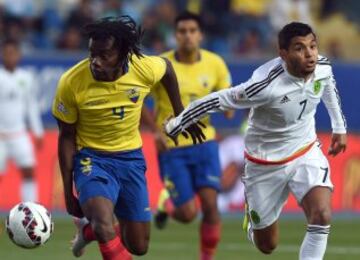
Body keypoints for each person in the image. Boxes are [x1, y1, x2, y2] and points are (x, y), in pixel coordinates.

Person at [164, 22, 347, 259]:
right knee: (267, 245)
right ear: (283, 54)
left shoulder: (322, 66)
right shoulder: (264, 85)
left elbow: (328, 86)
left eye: (312, 46)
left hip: (305, 151)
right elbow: (217, 100)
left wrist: (339, 126)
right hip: (264, 165)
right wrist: (176, 123)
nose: (310, 54)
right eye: (300, 48)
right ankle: (253, 221)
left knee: (322, 215)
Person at [52, 16, 203, 260]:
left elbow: (167, 68)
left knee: (138, 245)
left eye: (104, 55)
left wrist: (180, 112)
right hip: (92, 159)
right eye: (92, 54)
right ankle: (96, 228)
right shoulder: (71, 82)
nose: (95, 62)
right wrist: (69, 195)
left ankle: (88, 232)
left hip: (130, 159)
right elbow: (66, 138)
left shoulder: (142, 68)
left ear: (123, 54)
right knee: (104, 224)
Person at [141, 11, 232, 260]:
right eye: (182, 31)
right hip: (172, 147)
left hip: (205, 144)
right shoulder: (159, 65)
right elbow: (137, 102)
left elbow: (228, 100)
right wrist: (155, 134)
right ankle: (166, 207)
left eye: (193, 31)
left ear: (200, 35)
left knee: (211, 206)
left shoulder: (215, 63)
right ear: (175, 35)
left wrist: (229, 108)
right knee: (188, 213)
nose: (188, 36)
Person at [0, 39, 44, 202]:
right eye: (7, 53)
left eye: (13, 53)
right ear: (3, 55)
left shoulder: (26, 77)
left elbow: (31, 106)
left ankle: (30, 209)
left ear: (18, 55)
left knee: (29, 171)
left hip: (19, 134)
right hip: (1, 137)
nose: (10, 57)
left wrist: (37, 131)